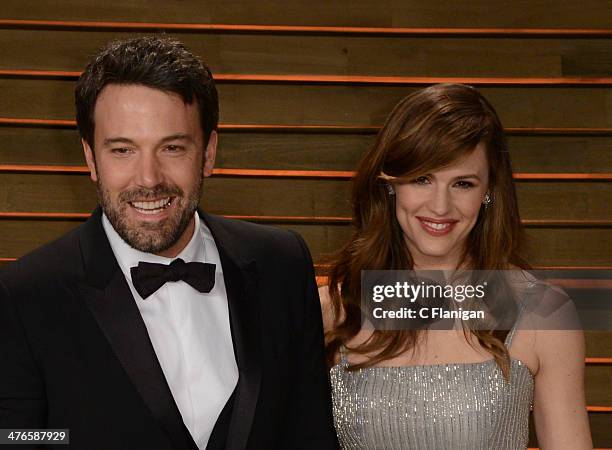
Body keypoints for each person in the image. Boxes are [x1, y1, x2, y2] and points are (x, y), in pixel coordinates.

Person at [0, 36, 338, 450]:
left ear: (209, 152)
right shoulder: (24, 294)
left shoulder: (281, 262)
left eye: (173, 148)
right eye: (123, 150)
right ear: (90, 158)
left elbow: (309, 433)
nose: (148, 178)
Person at [319, 84, 592, 449]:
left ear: (489, 190)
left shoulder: (544, 314)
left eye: (462, 183)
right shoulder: (329, 310)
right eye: (422, 179)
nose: (440, 206)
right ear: (390, 184)